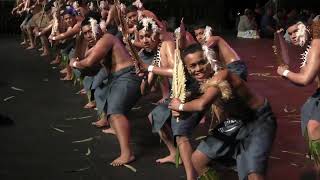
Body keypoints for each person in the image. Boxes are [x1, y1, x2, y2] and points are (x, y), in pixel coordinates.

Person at [169, 44, 277, 180]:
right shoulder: (202, 81)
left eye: (201, 63)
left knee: (253, 174)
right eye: (193, 66)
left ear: (209, 59)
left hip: (259, 120)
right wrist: (180, 109)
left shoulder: (222, 75)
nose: (198, 69)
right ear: (187, 68)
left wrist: (180, 107)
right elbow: (195, 102)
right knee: (198, 159)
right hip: (235, 121)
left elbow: (202, 104)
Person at [69, 25, 142, 166]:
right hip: (116, 77)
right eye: (85, 33)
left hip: (128, 75)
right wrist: (80, 49)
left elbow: (88, 62)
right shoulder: (95, 45)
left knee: (115, 112)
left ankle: (127, 154)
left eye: (91, 30)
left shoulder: (107, 38)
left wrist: (75, 62)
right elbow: (87, 61)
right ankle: (114, 126)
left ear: (98, 27)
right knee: (101, 94)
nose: (89, 35)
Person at [275, 20, 320, 168]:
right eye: (290, 34)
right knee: (307, 110)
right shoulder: (309, 49)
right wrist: (286, 74)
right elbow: (300, 80)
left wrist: (286, 72)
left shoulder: (316, 44)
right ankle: (314, 153)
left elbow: (306, 79)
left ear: (306, 29)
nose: (293, 36)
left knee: (313, 126)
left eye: (295, 31)